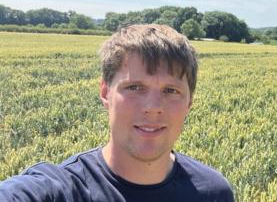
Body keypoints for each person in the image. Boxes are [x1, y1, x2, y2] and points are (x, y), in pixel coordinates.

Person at [0, 24, 234, 201]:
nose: (153, 107)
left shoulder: (214, 192)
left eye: (171, 90)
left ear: (189, 102)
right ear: (105, 93)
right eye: (134, 87)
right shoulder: (64, 190)